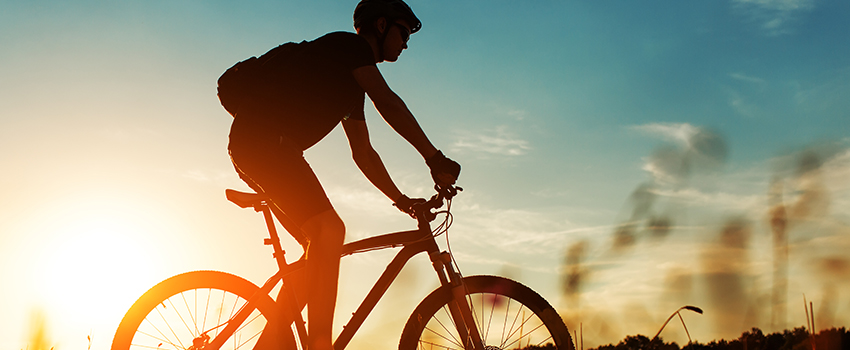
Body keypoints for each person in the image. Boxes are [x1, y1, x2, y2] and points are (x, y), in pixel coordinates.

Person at [220, 1, 460, 349]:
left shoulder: (350, 86)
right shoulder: (348, 47)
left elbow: (363, 153)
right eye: (404, 32)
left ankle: (269, 344)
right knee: (330, 230)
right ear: (381, 25)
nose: (406, 43)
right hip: (263, 144)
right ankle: (321, 343)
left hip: (263, 147)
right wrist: (434, 157)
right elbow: (388, 102)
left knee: (314, 253)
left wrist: (402, 201)